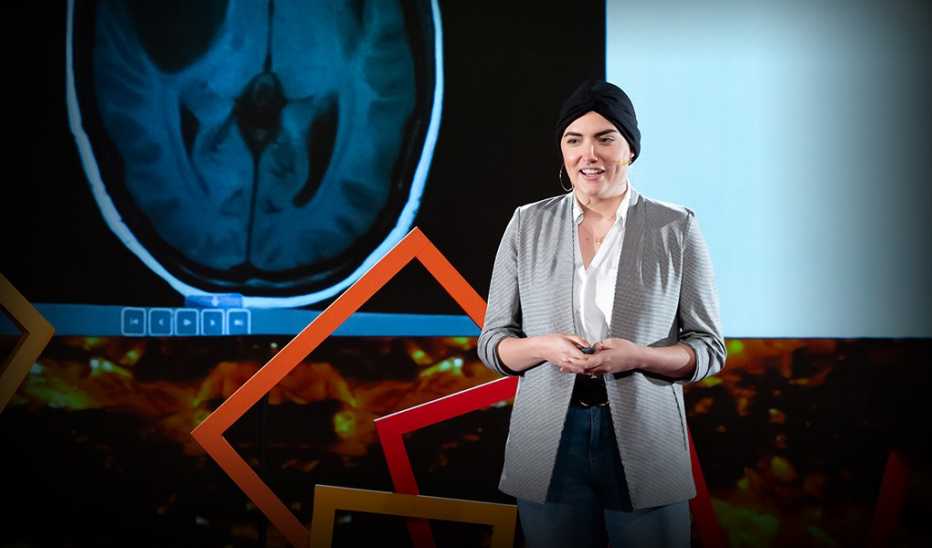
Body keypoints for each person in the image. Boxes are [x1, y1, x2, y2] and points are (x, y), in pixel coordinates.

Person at [477, 80, 726, 548]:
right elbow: (494, 344)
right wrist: (544, 347)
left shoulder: (676, 227)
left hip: (645, 440)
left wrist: (638, 357)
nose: (588, 154)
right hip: (549, 444)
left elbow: (709, 349)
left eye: (604, 139)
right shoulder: (526, 224)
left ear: (630, 149)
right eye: (574, 140)